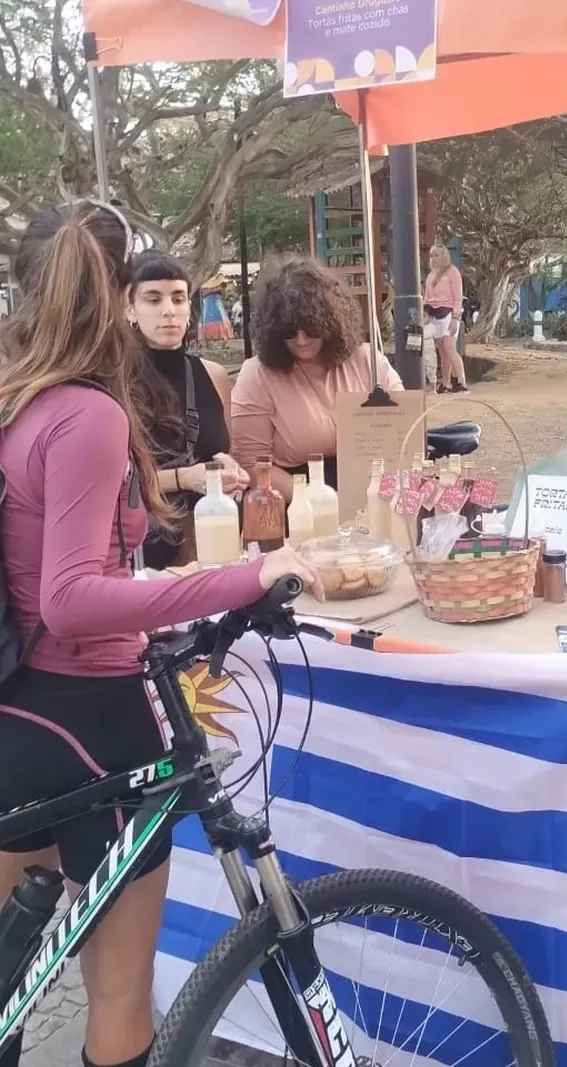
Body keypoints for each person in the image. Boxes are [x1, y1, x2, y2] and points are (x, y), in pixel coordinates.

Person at [0, 201, 321, 1067]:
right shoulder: (88, 415)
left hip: (14, 710)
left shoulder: (14, 397)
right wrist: (245, 575)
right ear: (119, 300)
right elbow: (71, 598)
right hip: (93, 713)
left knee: (8, 981)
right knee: (117, 993)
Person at [231, 257, 403, 502]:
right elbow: (251, 461)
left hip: (373, 492)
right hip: (294, 498)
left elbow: (405, 427)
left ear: (331, 322)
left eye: (312, 329)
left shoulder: (367, 360)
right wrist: (316, 499)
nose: (301, 340)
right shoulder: (257, 375)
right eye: (289, 332)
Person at [128, 251, 248, 569]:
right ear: (130, 309)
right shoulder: (114, 381)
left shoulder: (213, 374)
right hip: (144, 554)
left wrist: (230, 471)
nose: (169, 311)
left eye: (178, 298)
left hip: (210, 545)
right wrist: (185, 478)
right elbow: (113, 483)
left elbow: (223, 451)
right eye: (153, 300)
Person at [423, 245, 467, 394]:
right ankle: (446, 384)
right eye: (431, 255)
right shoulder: (430, 276)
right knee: (442, 351)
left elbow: (458, 297)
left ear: (443, 256)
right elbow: (427, 298)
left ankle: (461, 382)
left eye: (436, 255)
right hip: (434, 315)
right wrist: (426, 313)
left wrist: (456, 318)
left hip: (448, 313)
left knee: (450, 348)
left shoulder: (453, 272)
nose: (433, 258)